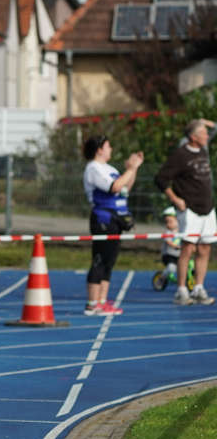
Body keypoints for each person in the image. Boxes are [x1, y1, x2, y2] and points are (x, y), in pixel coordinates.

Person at [155, 119, 217, 305]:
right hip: (189, 209)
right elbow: (160, 179)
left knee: (205, 248)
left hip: (207, 208)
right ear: (193, 137)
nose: (207, 136)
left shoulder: (203, 149)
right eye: (203, 133)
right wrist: (175, 199)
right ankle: (181, 290)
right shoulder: (180, 155)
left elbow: (215, 128)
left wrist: (201, 122)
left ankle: (198, 288)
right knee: (188, 248)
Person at [82, 135, 144, 315]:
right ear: (99, 149)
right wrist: (130, 170)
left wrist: (133, 169)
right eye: (108, 146)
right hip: (103, 218)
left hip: (117, 218)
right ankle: (92, 303)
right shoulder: (93, 168)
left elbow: (125, 189)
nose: (111, 149)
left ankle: (102, 301)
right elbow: (114, 187)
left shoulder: (109, 168)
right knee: (100, 259)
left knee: (110, 261)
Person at [160, 206, 181, 282]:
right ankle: (162, 278)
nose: (168, 224)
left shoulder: (181, 231)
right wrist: (177, 246)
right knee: (171, 268)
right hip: (169, 255)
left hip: (178, 255)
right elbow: (169, 242)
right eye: (166, 222)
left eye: (170, 221)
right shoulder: (168, 232)